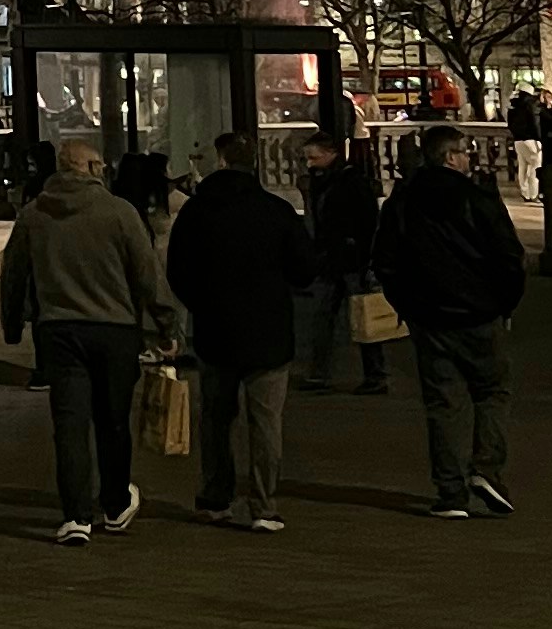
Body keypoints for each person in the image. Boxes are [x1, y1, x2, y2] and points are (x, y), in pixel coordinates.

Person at [0, 136, 180, 541]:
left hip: (58, 330)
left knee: (69, 423)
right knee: (113, 420)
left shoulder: (34, 214)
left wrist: (12, 324)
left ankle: (76, 515)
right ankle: (114, 503)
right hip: (113, 329)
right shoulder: (119, 212)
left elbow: (14, 274)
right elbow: (147, 274)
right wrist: (167, 325)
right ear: (94, 169)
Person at [371, 123, 527, 517]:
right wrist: (504, 304)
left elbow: (386, 262)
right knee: (492, 391)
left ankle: (450, 491)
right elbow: (509, 256)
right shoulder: (477, 198)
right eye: (464, 151)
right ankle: (487, 467)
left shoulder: (403, 203)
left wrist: (408, 306)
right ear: (450, 156)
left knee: (443, 402)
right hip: (478, 312)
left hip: (429, 317)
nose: (469, 157)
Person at [166, 132, 319, 531]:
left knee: (217, 417)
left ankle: (216, 496)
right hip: (268, 329)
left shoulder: (197, 212)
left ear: (220, 161)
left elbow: (178, 271)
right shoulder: (276, 210)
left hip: (216, 328)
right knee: (266, 421)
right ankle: (264, 506)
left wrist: (201, 303)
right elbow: (304, 268)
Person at [297, 120, 389, 392]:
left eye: (314, 158)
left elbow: (366, 222)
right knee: (341, 317)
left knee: (350, 316)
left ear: (330, 154)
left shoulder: (347, 182)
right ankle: (365, 374)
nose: (310, 164)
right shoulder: (330, 181)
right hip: (337, 257)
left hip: (348, 258)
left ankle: (359, 374)